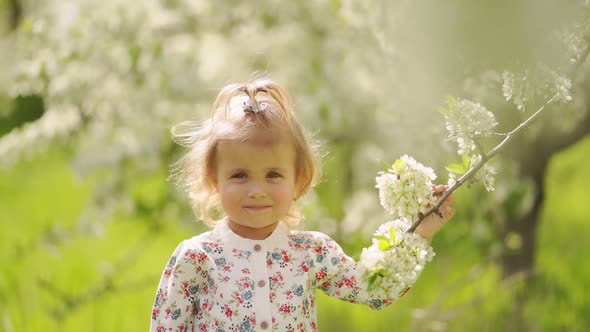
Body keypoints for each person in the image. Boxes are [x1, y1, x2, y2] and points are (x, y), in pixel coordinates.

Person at [150, 78, 455, 332]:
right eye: (240, 175)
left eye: (273, 175)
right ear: (214, 180)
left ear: (299, 180)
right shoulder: (198, 258)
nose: (257, 190)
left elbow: (374, 290)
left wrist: (419, 235)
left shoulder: (311, 253)